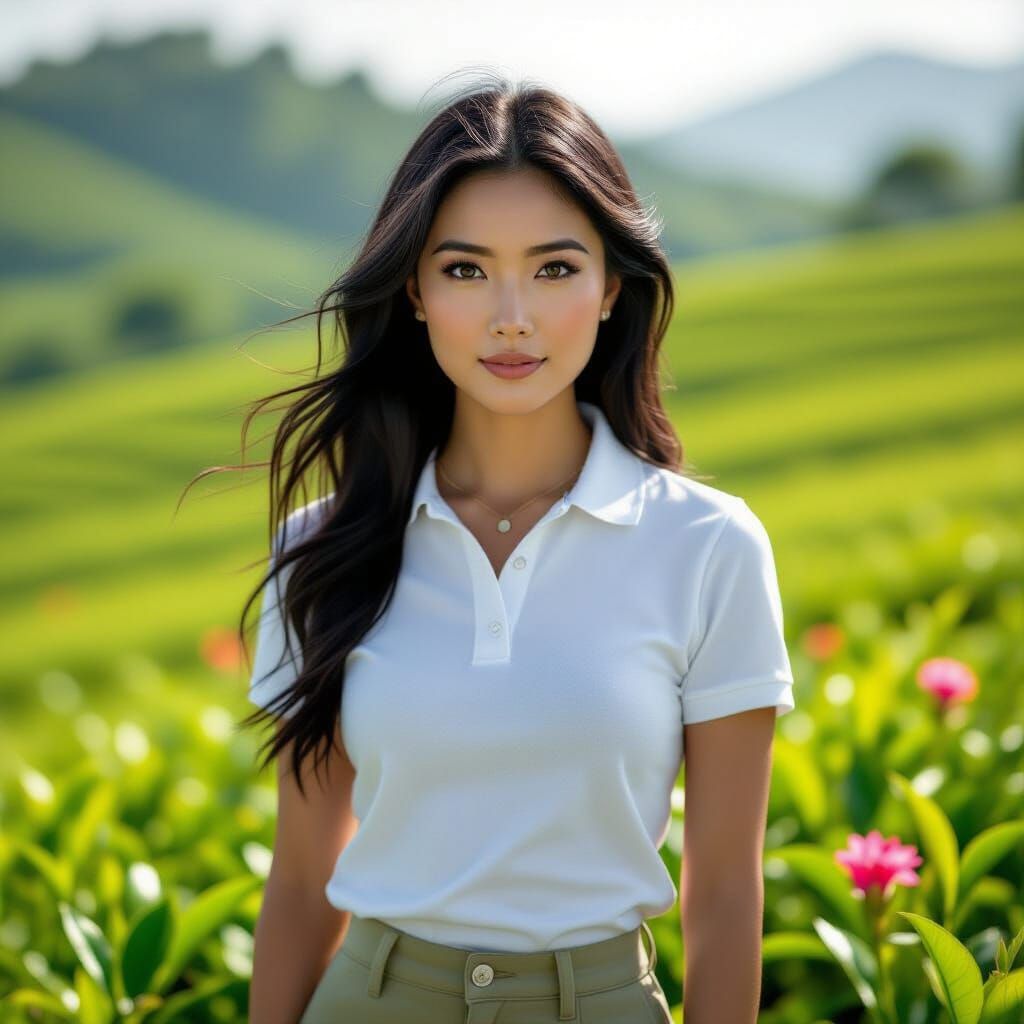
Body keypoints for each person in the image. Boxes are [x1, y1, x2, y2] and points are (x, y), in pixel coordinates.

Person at [238, 72, 795, 1024]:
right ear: (412, 290)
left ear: (613, 285)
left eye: (554, 267)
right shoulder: (323, 548)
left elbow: (725, 894)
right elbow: (298, 883)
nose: (511, 317)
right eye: (464, 270)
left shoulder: (709, 548)